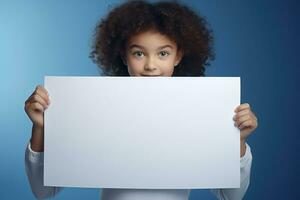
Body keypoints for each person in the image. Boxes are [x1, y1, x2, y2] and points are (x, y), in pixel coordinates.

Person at [24, 1, 257, 199]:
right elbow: (44, 190)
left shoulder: (199, 111)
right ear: (124, 55)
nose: (150, 66)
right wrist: (41, 128)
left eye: (163, 53)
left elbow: (230, 195)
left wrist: (237, 140)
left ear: (178, 56)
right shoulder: (95, 108)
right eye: (138, 53)